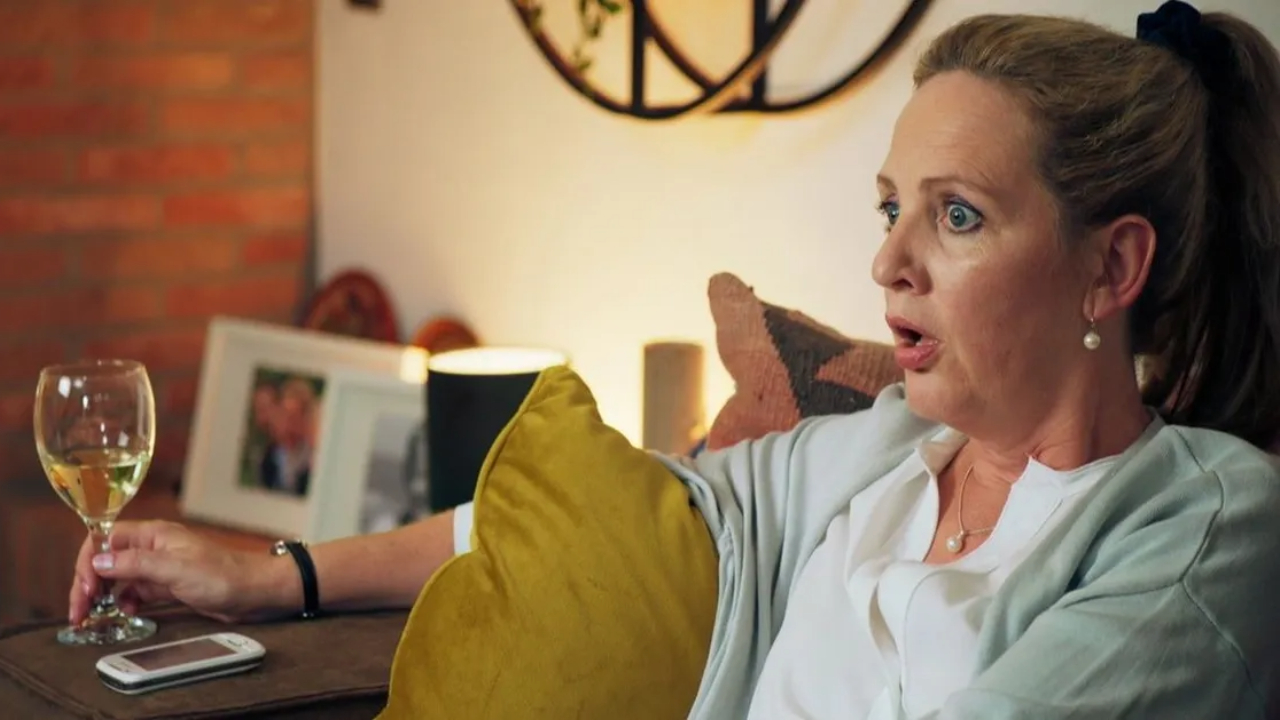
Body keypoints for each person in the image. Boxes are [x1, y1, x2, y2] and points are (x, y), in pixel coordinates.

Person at [68, 1, 1280, 716]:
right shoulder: (879, 455)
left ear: (1109, 268)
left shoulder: (1204, 519)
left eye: (955, 215)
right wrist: (265, 577)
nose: (887, 262)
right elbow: (579, 519)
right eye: (888, 208)